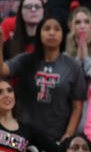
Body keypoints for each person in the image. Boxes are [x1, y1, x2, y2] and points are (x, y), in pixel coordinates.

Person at [0, 15, 85, 145]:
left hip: (57, 138)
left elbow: (77, 106)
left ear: (63, 34)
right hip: (24, 135)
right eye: (47, 29)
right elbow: (3, 70)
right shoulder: (25, 60)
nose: (52, 32)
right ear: (39, 33)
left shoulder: (73, 66)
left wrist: (68, 135)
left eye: (56, 29)